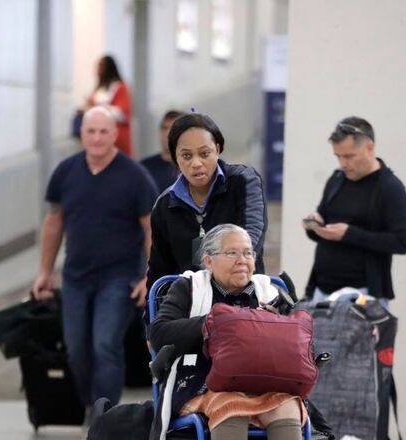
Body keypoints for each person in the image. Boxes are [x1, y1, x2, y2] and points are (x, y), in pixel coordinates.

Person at [32, 106, 158, 407]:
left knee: (105, 345)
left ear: (115, 134)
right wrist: (45, 272)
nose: (97, 138)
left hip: (118, 277)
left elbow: (151, 228)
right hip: (75, 276)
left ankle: (104, 414)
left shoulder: (135, 176)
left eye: (104, 131)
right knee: (76, 349)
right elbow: (54, 223)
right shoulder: (66, 172)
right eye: (91, 131)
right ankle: (90, 406)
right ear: (82, 134)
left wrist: (149, 275)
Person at [150, 224, 305, 440]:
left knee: (288, 408)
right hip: (206, 381)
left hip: (264, 381)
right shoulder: (189, 288)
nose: (243, 260)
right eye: (232, 253)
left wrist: (276, 323)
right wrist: (215, 322)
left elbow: (303, 345)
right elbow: (159, 334)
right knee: (232, 406)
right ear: (208, 261)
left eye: (248, 253)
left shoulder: (269, 291)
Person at [147, 113, 267, 290]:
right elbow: (159, 269)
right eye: (187, 156)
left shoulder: (244, 181)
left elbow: (250, 240)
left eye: (204, 154)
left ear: (217, 150)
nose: (196, 163)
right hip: (189, 302)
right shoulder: (165, 205)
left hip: (242, 295)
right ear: (176, 157)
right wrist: (153, 314)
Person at [303, 116, 406, 308]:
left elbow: (402, 242)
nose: (343, 163)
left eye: (349, 156)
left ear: (369, 147)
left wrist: (350, 234)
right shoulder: (337, 179)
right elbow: (325, 227)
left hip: (364, 296)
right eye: (338, 156)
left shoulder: (390, 187)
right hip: (321, 291)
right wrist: (314, 225)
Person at [84, 55, 133, 156]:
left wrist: (99, 107)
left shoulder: (120, 87)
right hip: (99, 142)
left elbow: (122, 114)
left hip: (118, 141)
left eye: (101, 66)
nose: (98, 70)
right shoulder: (98, 89)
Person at [141, 110, 185, 192]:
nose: (167, 133)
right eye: (164, 128)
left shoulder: (192, 168)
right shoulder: (143, 169)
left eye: (173, 129)